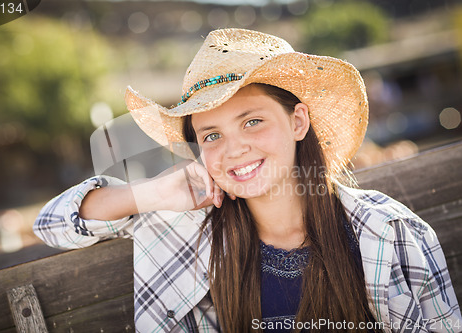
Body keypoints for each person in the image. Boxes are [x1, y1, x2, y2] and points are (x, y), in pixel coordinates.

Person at [34, 29, 461, 332]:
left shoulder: (388, 232)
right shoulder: (184, 232)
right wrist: (155, 192)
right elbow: (51, 224)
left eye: (252, 121)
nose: (234, 149)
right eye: (212, 136)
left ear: (298, 121)